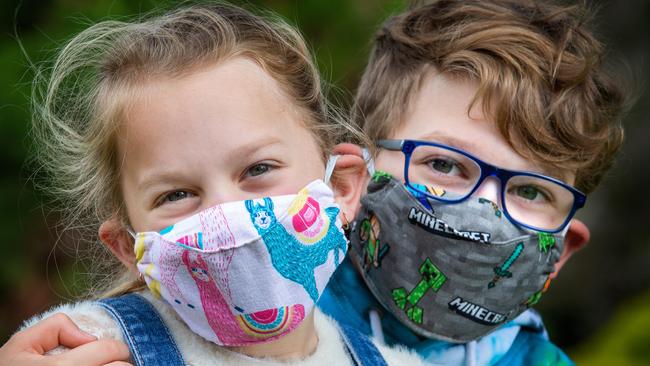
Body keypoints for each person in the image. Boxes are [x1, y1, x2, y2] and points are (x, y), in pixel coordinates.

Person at [2, 3, 424, 366]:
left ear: (342, 187)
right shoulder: (81, 348)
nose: (226, 216)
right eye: (177, 195)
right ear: (130, 246)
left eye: (257, 170)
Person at [319, 0, 627, 365]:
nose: (483, 216)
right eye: (444, 165)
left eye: (531, 191)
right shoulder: (268, 320)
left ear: (561, 253)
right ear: (348, 183)